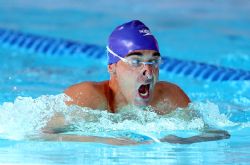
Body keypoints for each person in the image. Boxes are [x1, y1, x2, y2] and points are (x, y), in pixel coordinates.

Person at [40, 20, 230, 145]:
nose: (148, 72)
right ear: (111, 67)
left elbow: (219, 134)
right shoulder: (85, 98)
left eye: (154, 61)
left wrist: (181, 141)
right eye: (136, 61)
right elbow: (39, 135)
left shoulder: (169, 98)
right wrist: (105, 141)